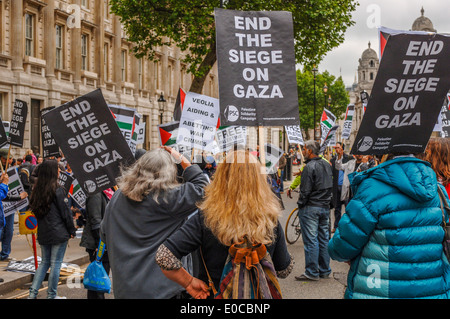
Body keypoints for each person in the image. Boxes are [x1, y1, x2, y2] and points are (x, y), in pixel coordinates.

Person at [155, 150, 293, 299]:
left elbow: (164, 256)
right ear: (259, 180)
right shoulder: (269, 219)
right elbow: (283, 270)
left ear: (221, 178)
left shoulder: (206, 218)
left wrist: (189, 282)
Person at [328, 152, 450, 299]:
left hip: (379, 288)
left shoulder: (372, 188)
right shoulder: (438, 190)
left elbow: (342, 246)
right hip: (432, 288)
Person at [100, 147, 209, 299]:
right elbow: (204, 189)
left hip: (125, 290)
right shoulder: (165, 197)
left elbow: (104, 234)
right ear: (169, 173)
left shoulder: (118, 196)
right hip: (163, 291)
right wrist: (183, 161)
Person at [28, 160, 76, 299]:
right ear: (52, 172)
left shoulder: (37, 190)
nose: (60, 171)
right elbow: (65, 213)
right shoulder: (58, 189)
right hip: (58, 232)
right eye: (57, 170)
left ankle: (32, 294)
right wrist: (72, 230)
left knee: (44, 262)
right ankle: (52, 295)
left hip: (44, 232)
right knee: (56, 264)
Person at [294, 140, 333, 281]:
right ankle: (324, 269)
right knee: (323, 239)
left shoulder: (309, 167)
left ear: (310, 151)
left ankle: (311, 271)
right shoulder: (326, 165)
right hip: (324, 207)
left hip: (311, 207)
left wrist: (301, 204)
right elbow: (330, 186)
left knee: (311, 240)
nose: (302, 151)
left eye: (304, 149)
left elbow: (305, 191)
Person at [80, 188, 113, 299]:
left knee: (98, 280)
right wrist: (101, 245)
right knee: (98, 281)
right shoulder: (95, 194)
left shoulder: (107, 191)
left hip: (104, 241)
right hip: (98, 243)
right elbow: (96, 222)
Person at [330, 142, 351, 233]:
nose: (337, 149)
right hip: (336, 187)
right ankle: (336, 225)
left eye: (338, 147)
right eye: (336, 148)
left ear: (342, 148)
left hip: (345, 188)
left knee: (348, 208)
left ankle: (348, 226)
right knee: (337, 208)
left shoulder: (349, 159)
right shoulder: (333, 160)